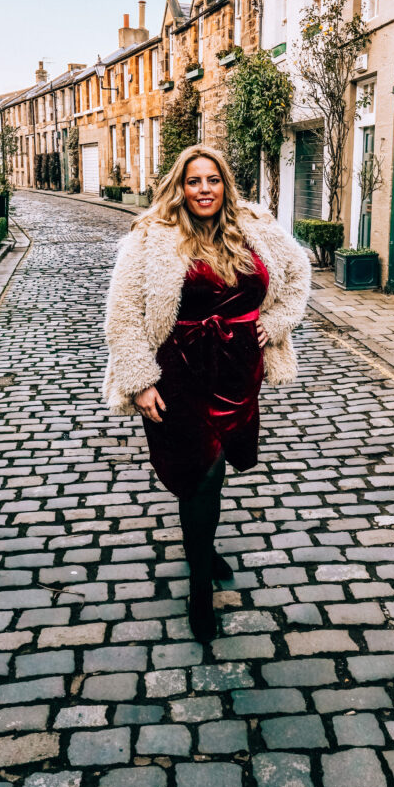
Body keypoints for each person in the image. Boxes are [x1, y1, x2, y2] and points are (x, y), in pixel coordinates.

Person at [103, 144, 311, 641]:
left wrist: (276, 322)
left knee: (216, 471)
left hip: (238, 370)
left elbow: (297, 275)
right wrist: (140, 381)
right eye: (194, 181)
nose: (204, 190)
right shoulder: (151, 237)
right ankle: (200, 585)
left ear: (225, 185)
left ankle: (203, 545)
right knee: (202, 471)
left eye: (212, 180)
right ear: (180, 186)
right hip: (179, 373)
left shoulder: (255, 226)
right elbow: (124, 313)